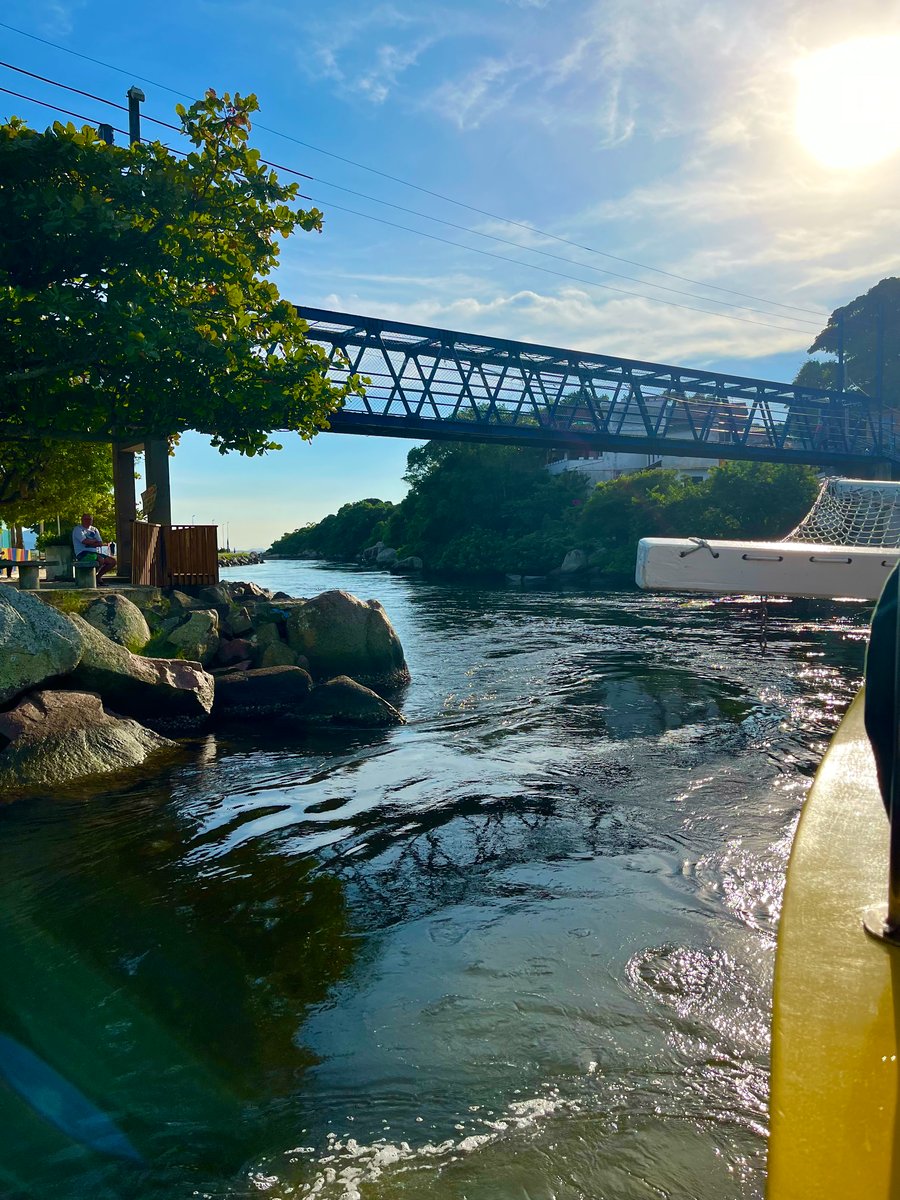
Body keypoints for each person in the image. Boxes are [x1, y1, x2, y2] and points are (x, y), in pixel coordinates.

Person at [72, 513, 116, 584]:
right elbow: (84, 541)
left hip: (94, 553)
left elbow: (100, 543)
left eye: (90, 519)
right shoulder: (78, 529)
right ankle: (91, 577)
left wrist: (90, 542)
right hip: (82, 553)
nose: (88, 521)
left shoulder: (94, 529)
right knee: (100, 560)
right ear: (82, 520)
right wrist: (94, 541)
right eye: (86, 519)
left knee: (112, 561)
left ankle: (98, 576)